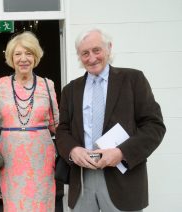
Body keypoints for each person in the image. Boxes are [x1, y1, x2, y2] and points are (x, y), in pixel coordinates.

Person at [56, 28, 166, 212]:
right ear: (79, 56)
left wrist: (121, 153)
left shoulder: (133, 79)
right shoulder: (70, 90)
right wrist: (73, 150)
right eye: (85, 53)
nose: (91, 58)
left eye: (96, 50)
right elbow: (63, 130)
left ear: (109, 48)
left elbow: (154, 126)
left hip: (122, 178)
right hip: (83, 179)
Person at [0, 31, 59, 211]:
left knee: (41, 203)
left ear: (35, 56)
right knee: (14, 204)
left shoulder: (47, 84)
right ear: (11, 58)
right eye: (18, 54)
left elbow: (56, 123)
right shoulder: (1, 84)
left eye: (28, 53)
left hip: (41, 156)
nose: (23, 59)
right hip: (10, 156)